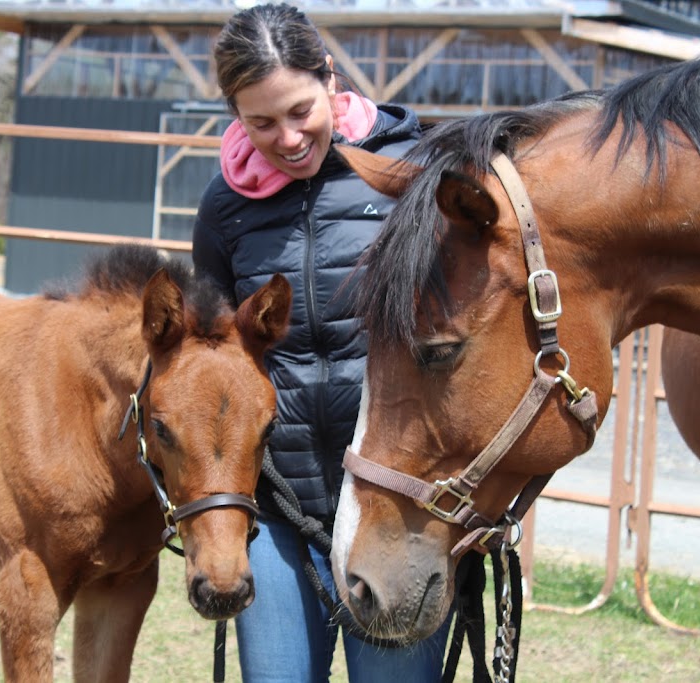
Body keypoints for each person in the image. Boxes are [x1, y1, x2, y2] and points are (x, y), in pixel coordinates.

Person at [192, 4, 451, 681]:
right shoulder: (224, 208)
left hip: (396, 513)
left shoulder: (410, 173)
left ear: (329, 77)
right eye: (261, 122)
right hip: (279, 510)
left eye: (300, 110)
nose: (287, 137)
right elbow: (215, 364)